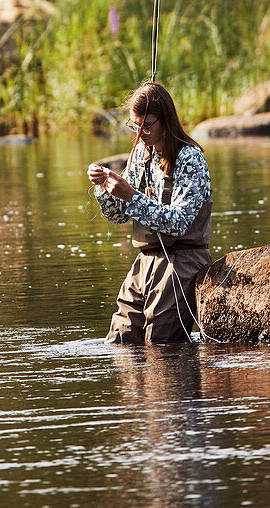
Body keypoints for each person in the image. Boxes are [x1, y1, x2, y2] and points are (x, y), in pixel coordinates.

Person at [88, 80, 212, 343]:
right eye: (135, 125)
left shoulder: (190, 158)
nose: (140, 133)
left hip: (182, 262)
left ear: (165, 120)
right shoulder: (142, 156)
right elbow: (118, 216)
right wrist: (104, 188)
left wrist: (131, 196)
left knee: (159, 346)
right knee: (119, 340)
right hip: (144, 263)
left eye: (146, 126)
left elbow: (179, 223)